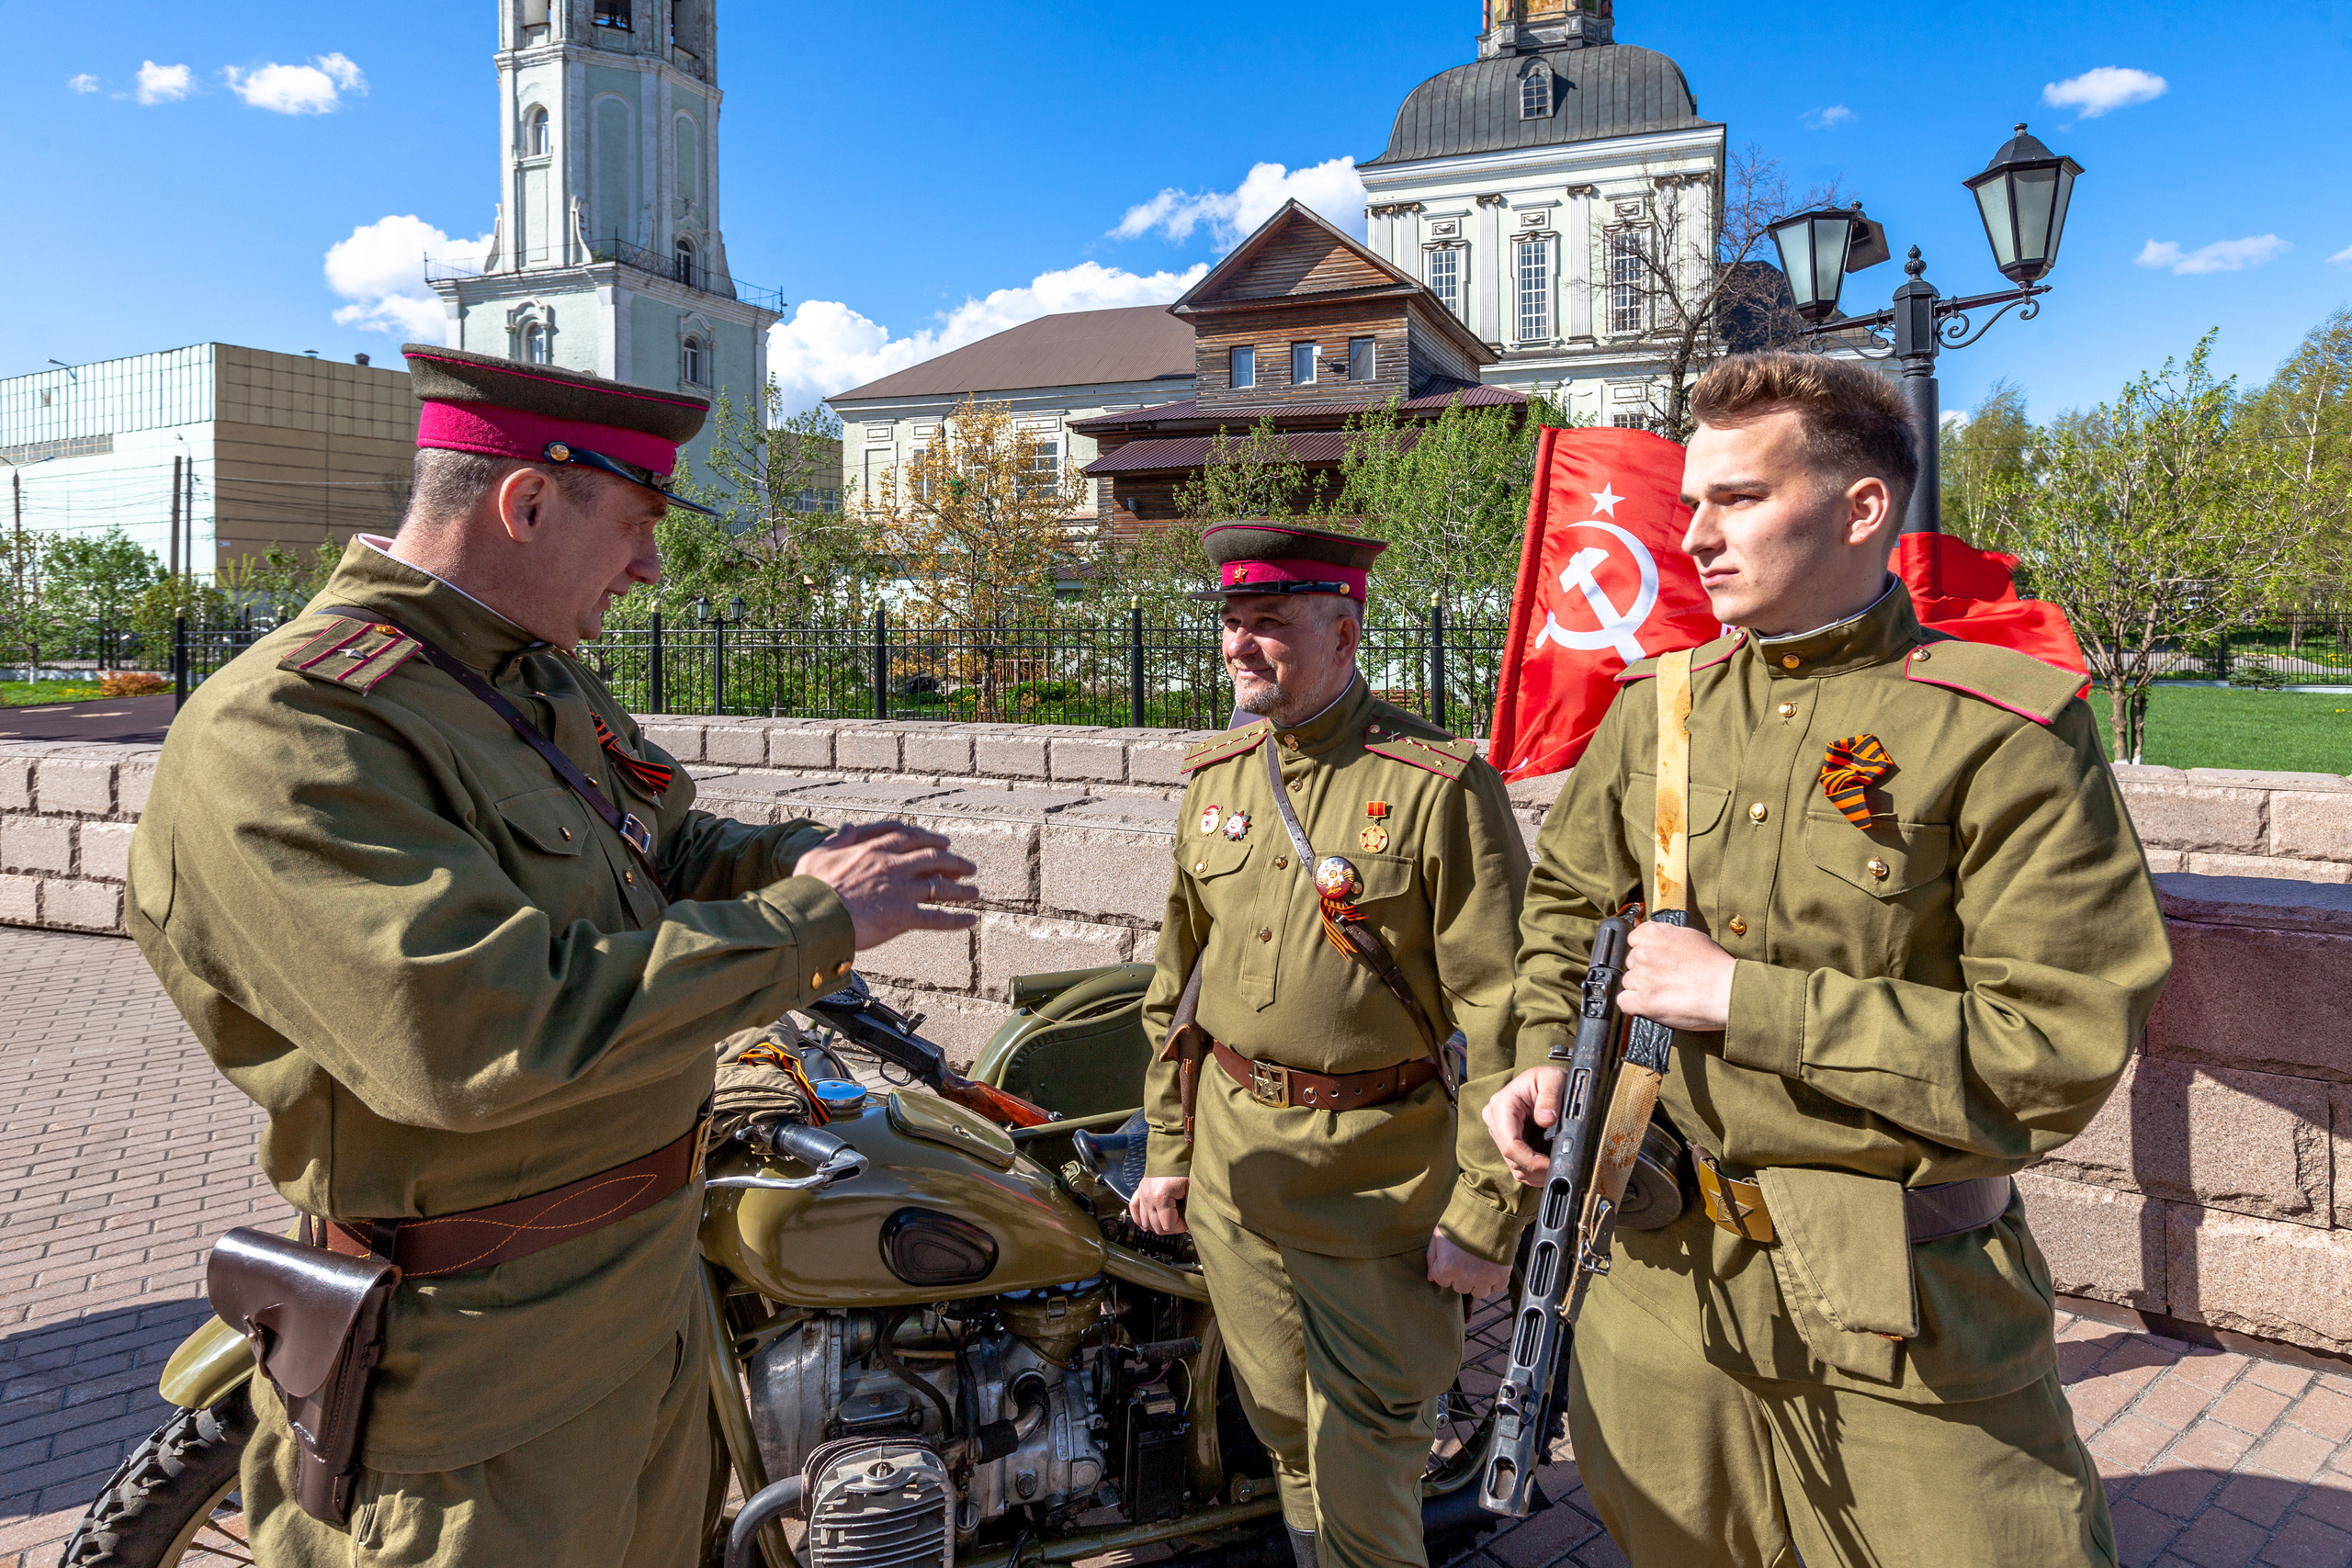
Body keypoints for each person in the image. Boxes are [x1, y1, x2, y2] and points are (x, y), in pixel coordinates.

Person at [127, 344, 979, 1568]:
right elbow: (477, 1030)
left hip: (635, 1302)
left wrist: (806, 855)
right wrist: (813, 921)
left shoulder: (513, 678)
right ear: (525, 502)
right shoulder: (296, 727)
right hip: (476, 1373)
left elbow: (665, 844)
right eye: (636, 523)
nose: (649, 565)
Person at [1483, 352, 2172, 1567]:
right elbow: (1562, 921)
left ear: (1862, 508)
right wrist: (1543, 1061)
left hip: (1901, 1313)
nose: (1691, 534)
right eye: (1692, 499)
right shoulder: (1658, 708)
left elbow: (2052, 1051)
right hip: (1658, 1295)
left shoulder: (2001, 730)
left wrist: (1746, 999)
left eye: (1737, 498)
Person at [1128, 522, 1532, 1568]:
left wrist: (1487, 1213)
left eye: (1269, 623)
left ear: (1345, 634)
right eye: (1229, 623)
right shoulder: (1215, 779)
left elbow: (1507, 1017)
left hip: (1377, 1180)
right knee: (1283, 1427)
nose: (1238, 645)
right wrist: (1170, 1154)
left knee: (1368, 1442)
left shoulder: (1438, 785)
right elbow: (1177, 991)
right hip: (1232, 1171)